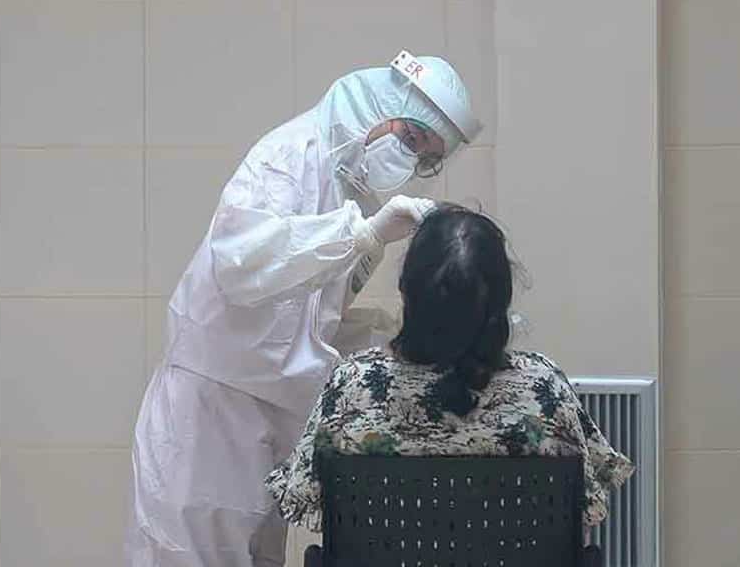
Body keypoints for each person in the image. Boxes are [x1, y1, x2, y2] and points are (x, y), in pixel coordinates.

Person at [126, 51, 482, 567]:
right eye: (410, 136)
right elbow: (240, 263)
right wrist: (359, 235)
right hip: (212, 407)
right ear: (381, 104)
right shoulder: (291, 156)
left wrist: (394, 339)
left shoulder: (351, 191)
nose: (410, 160)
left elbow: (306, 320)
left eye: (425, 156)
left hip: (272, 413)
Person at [266, 205, 634, 532]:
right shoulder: (544, 387)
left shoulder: (351, 386)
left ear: (405, 291)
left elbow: (304, 500)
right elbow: (585, 514)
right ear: (502, 299)